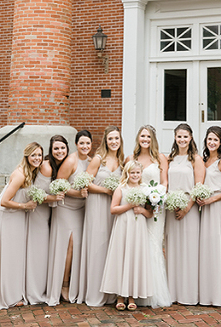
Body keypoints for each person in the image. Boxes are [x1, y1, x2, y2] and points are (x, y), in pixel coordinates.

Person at [0, 142, 41, 309]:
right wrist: (25, 206)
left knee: (13, 255)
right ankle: (5, 297)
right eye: (33, 155)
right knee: (6, 255)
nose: (37, 158)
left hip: (16, 216)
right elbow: (5, 201)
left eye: (39, 155)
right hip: (6, 216)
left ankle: (11, 292)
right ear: (27, 156)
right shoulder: (20, 174)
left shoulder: (31, 172)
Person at [79, 126, 124, 306]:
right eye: (111, 139)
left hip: (113, 207)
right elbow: (86, 184)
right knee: (97, 245)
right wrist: (106, 190)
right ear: (105, 140)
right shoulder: (98, 159)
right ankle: (94, 292)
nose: (114, 142)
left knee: (109, 246)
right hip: (97, 205)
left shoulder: (122, 160)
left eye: (117, 139)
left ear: (120, 141)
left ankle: (110, 291)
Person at [100, 160, 153, 310]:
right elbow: (113, 209)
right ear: (127, 173)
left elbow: (150, 213)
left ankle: (131, 296)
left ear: (141, 174)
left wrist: (141, 210)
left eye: (137, 172)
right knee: (121, 256)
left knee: (134, 257)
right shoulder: (121, 188)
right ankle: (119, 296)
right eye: (132, 173)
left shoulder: (146, 189)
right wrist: (130, 205)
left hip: (138, 227)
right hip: (123, 225)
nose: (135, 175)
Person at [47, 130, 92, 305]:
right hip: (66, 208)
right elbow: (59, 185)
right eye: (82, 143)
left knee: (78, 246)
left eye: (88, 143)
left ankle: (74, 282)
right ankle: (63, 284)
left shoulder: (90, 161)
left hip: (81, 209)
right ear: (76, 144)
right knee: (69, 246)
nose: (85, 146)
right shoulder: (70, 160)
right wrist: (79, 194)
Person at [130, 125, 172, 308]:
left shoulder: (160, 158)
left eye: (148, 136)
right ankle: (136, 290)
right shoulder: (132, 158)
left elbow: (165, 182)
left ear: (153, 139)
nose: (145, 139)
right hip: (137, 207)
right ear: (138, 138)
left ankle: (154, 292)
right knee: (139, 245)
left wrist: (157, 196)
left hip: (156, 208)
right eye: (142, 136)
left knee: (153, 244)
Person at [166, 123, 204, 305]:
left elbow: (199, 186)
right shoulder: (170, 158)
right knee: (173, 250)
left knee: (189, 250)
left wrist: (187, 208)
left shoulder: (196, 159)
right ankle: (172, 293)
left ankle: (189, 294)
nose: (182, 139)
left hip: (190, 210)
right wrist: (171, 202)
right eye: (179, 136)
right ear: (175, 138)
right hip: (172, 210)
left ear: (191, 138)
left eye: (185, 136)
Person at [197, 125, 221, 306]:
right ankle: (207, 293)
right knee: (207, 248)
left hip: (218, 208)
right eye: (209, 139)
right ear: (205, 140)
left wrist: (213, 200)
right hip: (204, 209)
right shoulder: (203, 160)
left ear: (220, 143)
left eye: (215, 140)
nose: (211, 142)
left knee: (218, 247)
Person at [25, 136, 67, 304]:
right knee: (37, 252)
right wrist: (54, 197)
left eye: (62, 148)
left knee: (42, 252)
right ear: (51, 150)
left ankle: (39, 287)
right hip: (38, 214)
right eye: (56, 148)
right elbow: (36, 195)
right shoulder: (47, 166)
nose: (60, 151)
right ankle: (33, 292)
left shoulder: (59, 165)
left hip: (46, 214)